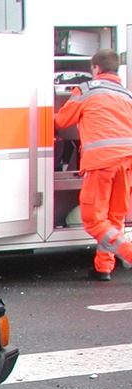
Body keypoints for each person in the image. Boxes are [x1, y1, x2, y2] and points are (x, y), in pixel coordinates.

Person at [53, 48, 132, 281]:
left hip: (101, 162)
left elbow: (62, 120)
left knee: (94, 220)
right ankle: (103, 268)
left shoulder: (86, 90)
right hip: (126, 162)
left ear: (96, 69)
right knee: (113, 217)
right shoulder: (126, 94)